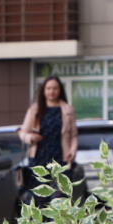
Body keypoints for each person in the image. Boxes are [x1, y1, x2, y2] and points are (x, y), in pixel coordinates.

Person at [18, 75, 78, 205]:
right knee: (36, 202)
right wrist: (30, 137)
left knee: (60, 202)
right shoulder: (35, 109)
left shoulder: (68, 110)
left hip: (61, 161)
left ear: (60, 90)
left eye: (55, 88)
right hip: (39, 160)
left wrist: (73, 151)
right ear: (43, 91)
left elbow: (74, 135)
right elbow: (23, 132)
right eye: (48, 88)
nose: (52, 91)